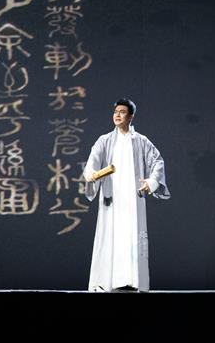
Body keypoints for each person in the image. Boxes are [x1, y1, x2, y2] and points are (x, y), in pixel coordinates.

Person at [83, 98, 170, 292]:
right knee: (110, 238)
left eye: (122, 112)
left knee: (131, 238)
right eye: (116, 112)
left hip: (132, 200)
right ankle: (106, 282)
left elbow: (158, 161)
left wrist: (151, 182)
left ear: (131, 117)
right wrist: (90, 173)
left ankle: (132, 281)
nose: (117, 115)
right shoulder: (105, 140)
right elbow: (93, 160)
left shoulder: (140, 141)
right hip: (112, 200)